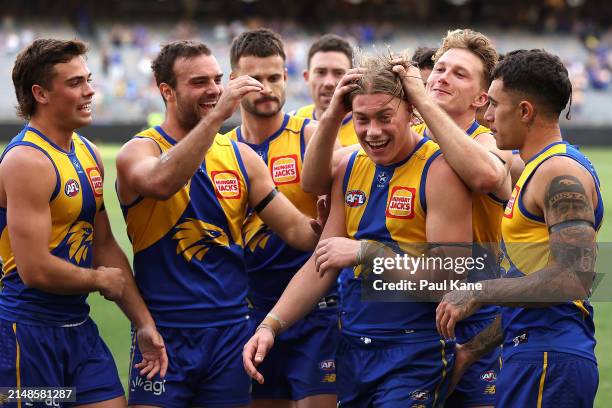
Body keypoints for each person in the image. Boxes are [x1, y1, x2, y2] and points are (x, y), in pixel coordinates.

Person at [244, 54, 474, 407]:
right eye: (362, 119)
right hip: (352, 349)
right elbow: (323, 262)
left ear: (412, 113)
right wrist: (271, 325)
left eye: (385, 118)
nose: (373, 131)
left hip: (413, 353)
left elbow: (451, 275)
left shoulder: (439, 169)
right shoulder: (350, 165)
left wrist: (368, 253)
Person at [115, 40, 325, 408]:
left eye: (216, 79)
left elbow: (296, 231)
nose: (214, 90)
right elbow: (162, 183)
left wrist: (329, 224)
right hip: (165, 333)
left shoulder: (240, 157)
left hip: (230, 333)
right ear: (167, 90)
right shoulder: (140, 150)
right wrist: (217, 117)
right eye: (199, 82)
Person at [0, 38, 167, 407]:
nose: (90, 90)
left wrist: (143, 323)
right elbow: (34, 270)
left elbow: (104, 244)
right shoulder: (25, 161)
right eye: (75, 83)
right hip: (27, 336)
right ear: (40, 93)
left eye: (88, 79)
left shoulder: (89, 152)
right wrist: (97, 279)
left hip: (78, 328)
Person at [435, 49, 603, 408]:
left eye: (495, 104)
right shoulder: (536, 169)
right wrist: (470, 351)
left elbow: (573, 278)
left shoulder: (559, 171)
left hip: (549, 358)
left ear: (525, 111)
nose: (488, 115)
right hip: (532, 353)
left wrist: (479, 290)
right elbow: (529, 288)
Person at [225, 28, 337, 408]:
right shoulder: (223, 152)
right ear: (234, 82)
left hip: (317, 311)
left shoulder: (312, 137)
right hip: (250, 311)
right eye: (256, 79)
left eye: (275, 77)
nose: (267, 87)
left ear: (287, 78)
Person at [293, 33, 357, 147]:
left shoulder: (369, 129)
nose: (329, 83)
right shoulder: (292, 125)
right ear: (306, 77)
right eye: (320, 72)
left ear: (353, 78)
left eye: (338, 73)